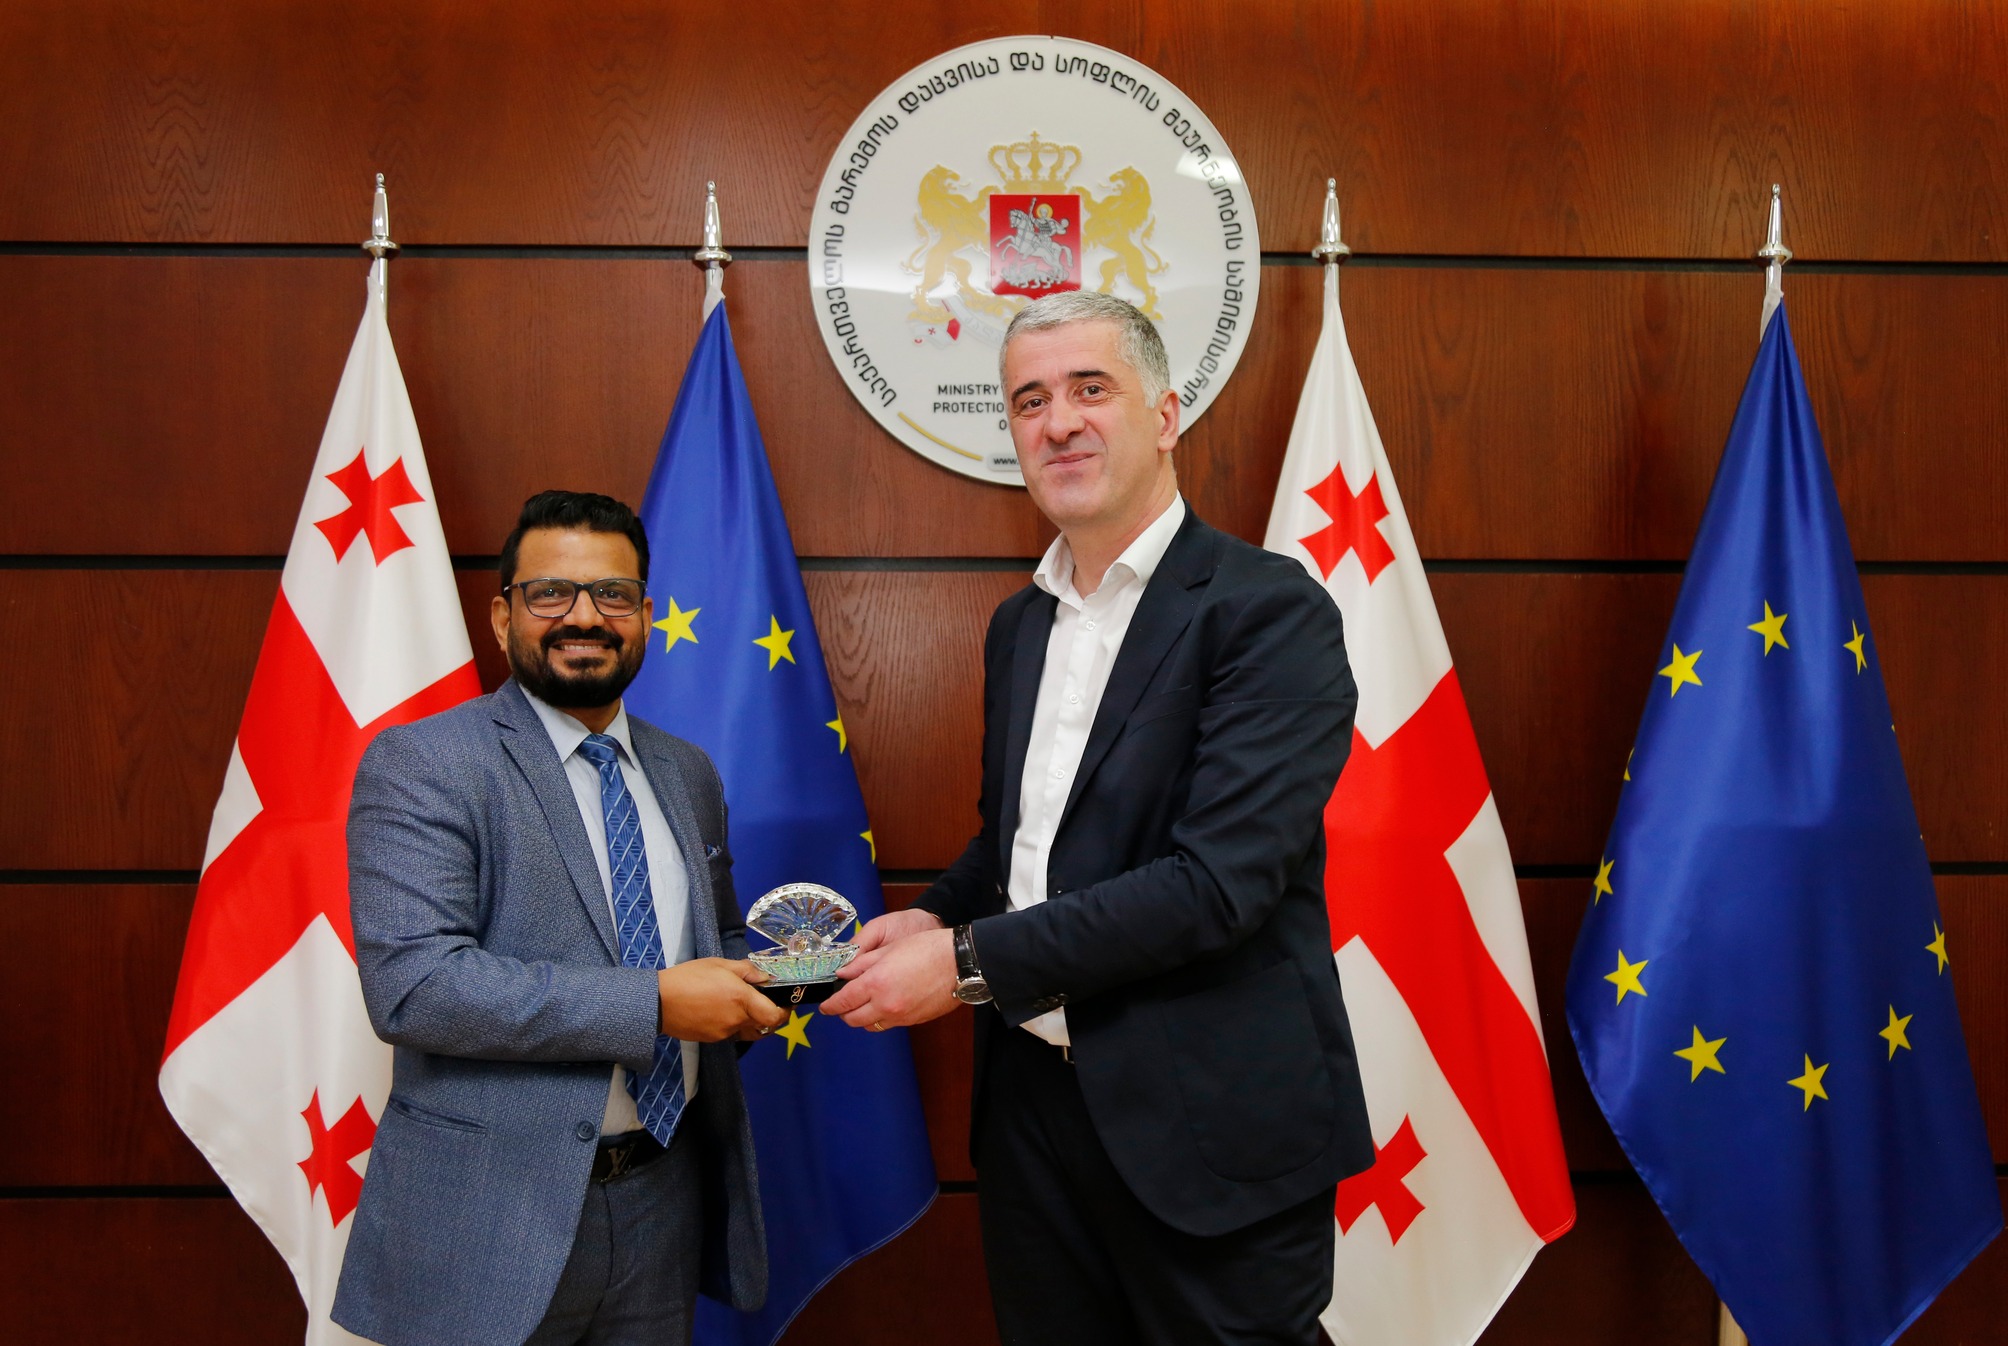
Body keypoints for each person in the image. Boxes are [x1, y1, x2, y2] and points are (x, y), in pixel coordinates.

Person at [821, 292, 1374, 1344]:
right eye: (1029, 401)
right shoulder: (1019, 624)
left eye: (1090, 389)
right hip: (1033, 1114)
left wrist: (966, 965)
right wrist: (936, 915)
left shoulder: (1267, 610)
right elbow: (1021, 841)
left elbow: (1216, 885)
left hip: (1209, 1123)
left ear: (1163, 415)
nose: (1059, 422)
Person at [333, 490, 787, 1346]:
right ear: (503, 615)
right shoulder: (424, 762)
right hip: (486, 1218)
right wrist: (657, 1004)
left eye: (613, 594)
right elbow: (414, 988)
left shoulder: (687, 771)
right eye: (551, 593)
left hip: (663, 1199)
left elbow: (715, 941)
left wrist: (785, 980)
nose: (585, 617)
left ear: (644, 616)